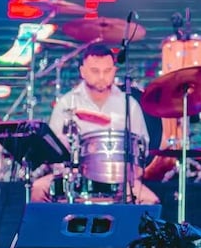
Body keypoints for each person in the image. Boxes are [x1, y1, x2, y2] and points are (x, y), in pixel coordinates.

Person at [30, 43, 159, 204]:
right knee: (37, 190)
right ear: (82, 71)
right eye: (95, 71)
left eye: (107, 71)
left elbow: (141, 151)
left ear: (114, 71)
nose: (101, 76)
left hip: (118, 179)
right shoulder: (67, 103)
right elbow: (56, 152)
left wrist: (128, 173)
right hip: (75, 176)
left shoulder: (129, 104)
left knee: (150, 202)